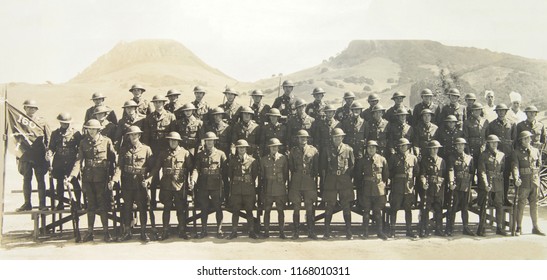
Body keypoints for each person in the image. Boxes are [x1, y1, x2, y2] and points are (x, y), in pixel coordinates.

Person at [67, 119, 116, 242]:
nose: (91, 131)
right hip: (88, 179)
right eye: (89, 129)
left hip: (102, 179)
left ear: (98, 129)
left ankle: (106, 232)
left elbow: (113, 160)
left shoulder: (106, 141)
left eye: (93, 129)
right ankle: (90, 232)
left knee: (103, 205)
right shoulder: (83, 142)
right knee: (90, 206)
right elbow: (79, 161)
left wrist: (113, 177)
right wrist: (72, 176)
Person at [148, 132, 195, 240]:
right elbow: (156, 168)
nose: (172, 142)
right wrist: (150, 178)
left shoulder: (185, 153)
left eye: (175, 140)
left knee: (180, 208)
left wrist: (192, 180)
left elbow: (190, 168)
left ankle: (182, 230)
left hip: (179, 185)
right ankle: (165, 230)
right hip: (166, 185)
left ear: (178, 141)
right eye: (170, 140)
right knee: (167, 208)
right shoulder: (163, 153)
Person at [112, 126, 154, 242]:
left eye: (136, 135)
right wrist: (114, 179)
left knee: (142, 208)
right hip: (127, 183)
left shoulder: (146, 149)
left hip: (140, 184)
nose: (133, 137)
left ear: (139, 136)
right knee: (127, 207)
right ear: (128, 136)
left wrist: (149, 179)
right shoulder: (124, 150)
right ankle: (127, 232)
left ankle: (143, 232)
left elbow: (152, 168)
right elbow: (119, 167)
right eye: (131, 135)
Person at [142, 94, 176, 236]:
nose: (158, 105)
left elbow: (174, 134)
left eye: (160, 102)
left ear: (164, 103)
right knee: (154, 176)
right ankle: (154, 200)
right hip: (154, 151)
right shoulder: (149, 118)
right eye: (155, 103)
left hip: (166, 149)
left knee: (170, 174)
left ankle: (171, 197)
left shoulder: (171, 116)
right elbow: (146, 137)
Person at [16, 100, 51, 211]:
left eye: (33, 108)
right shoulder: (19, 121)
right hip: (25, 155)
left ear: (36, 109)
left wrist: (48, 152)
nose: (31, 110)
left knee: (40, 179)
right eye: (28, 107)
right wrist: (17, 155)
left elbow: (48, 138)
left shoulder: (42, 122)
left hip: (39, 155)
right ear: (24, 108)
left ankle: (42, 204)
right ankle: (27, 203)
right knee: (26, 179)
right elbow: (16, 137)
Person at [322, 128, 355, 239]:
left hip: (344, 180)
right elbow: (323, 167)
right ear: (332, 138)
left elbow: (352, 166)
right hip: (331, 180)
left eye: (339, 137)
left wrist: (345, 175)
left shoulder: (348, 149)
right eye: (335, 137)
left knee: (346, 205)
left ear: (342, 137)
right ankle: (326, 231)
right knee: (329, 206)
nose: (337, 139)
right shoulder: (327, 149)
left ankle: (348, 230)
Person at [47, 113, 83, 210]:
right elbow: (51, 147)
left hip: (71, 161)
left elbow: (81, 147)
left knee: (74, 181)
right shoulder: (55, 133)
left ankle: (79, 202)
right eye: (62, 123)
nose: (64, 125)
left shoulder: (76, 133)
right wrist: (49, 153)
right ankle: (61, 203)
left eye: (66, 123)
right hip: (58, 161)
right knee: (59, 182)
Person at [194, 132, 227, 238]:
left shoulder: (221, 154)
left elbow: (225, 172)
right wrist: (193, 179)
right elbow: (196, 169)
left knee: (218, 207)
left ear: (214, 141)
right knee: (204, 208)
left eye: (211, 140)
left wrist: (226, 187)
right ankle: (204, 230)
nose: (209, 142)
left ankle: (219, 230)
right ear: (205, 142)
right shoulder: (200, 155)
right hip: (203, 185)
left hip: (216, 186)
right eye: (207, 140)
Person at [287, 130, 319, 239]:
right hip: (296, 180)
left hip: (308, 181)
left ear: (308, 139)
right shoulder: (293, 151)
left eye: (305, 137)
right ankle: (296, 231)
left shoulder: (313, 150)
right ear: (297, 139)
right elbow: (291, 166)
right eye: (301, 137)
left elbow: (316, 167)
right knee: (296, 206)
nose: (303, 139)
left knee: (309, 206)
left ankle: (311, 231)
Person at [512, 131, 545, 236]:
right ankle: (519, 227)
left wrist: (536, 177)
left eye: (529, 138)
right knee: (521, 205)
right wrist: (516, 178)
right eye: (525, 138)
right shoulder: (516, 152)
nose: (527, 140)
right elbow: (515, 167)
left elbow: (539, 165)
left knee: (534, 205)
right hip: (524, 182)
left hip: (534, 182)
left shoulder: (535, 151)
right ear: (521, 141)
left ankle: (535, 227)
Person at [355, 140, 389, 240]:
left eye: (373, 147)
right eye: (369, 147)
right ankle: (365, 233)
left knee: (377, 212)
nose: (371, 149)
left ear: (376, 149)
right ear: (366, 149)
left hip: (378, 189)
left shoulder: (382, 159)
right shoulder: (362, 161)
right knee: (366, 211)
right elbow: (358, 176)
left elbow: (385, 175)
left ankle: (380, 232)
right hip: (366, 189)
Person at [226, 139, 259, 239]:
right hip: (236, 189)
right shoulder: (232, 161)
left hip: (248, 189)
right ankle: (234, 231)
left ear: (246, 149)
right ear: (237, 149)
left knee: (249, 211)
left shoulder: (252, 161)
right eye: (240, 147)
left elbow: (254, 175)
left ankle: (251, 231)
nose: (241, 149)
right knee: (235, 211)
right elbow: (230, 175)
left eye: (243, 147)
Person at [485, 104, 516, 206]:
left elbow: (514, 140)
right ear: (496, 112)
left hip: (507, 155)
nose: (501, 112)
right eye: (499, 111)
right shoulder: (492, 125)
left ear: (506, 112)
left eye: (503, 111)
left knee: (506, 176)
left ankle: (505, 198)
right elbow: (488, 140)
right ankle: (493, 198)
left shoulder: (512, 124)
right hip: (495, 155)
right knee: (494, 176)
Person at [387, 138, 419, 238]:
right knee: (394, 209)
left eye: (405, 145)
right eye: (401, 146)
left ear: (408, 146)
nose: (403, 147)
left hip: (408, 188)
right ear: (398, 147)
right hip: (397, 187)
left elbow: (416, 172)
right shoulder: (393, 158)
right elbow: (389, 172)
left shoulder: (413, 158)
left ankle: (409, 230)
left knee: (408, 209)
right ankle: (392, 231)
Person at [477, 135, 507, 236]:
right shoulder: (483, 155)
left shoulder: (502, 155)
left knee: (499, 205)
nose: (494, 144)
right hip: (487, 183)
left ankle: (499, 227)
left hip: (498, 184)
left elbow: (502, 170)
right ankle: (481, 227)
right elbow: (482, 171)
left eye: (496, 142)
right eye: (492, 142)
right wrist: (485, 184)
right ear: (488, 143)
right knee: (484, 206)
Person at [259, 138, 289, 238]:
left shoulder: (283, 158)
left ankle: (282, 231)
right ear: (269, 148)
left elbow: (285, 174)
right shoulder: (263, 160)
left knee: (280, 210)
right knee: (267, 210)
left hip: (279, 188)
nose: (274, 148)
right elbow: (262, 176)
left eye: (276, 146)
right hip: (268, 189)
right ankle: (266, 231)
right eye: (272, 147)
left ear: (278, 147)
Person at [446, 138, 475, 236]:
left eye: (462, 145)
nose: (460, 146)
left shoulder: (469, 158)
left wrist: (469, 185)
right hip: (456, 186)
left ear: (464, 146)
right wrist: (451, 182)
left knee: (465, 208)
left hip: (466, 186)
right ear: (455, 146)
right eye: (458, 145)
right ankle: (449, 228)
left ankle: (465, 227)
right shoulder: (452, 158)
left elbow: (472, 172)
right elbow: (451, 170)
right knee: (453, 207)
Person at [419, 140, 446, 237]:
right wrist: (424, 183)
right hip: (428, 189)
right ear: (429, 150)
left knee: (439, 210)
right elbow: (422, 174)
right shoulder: (425, 160)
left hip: (438, 189)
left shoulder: (442, 161)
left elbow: (444, 175)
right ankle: (424, 230)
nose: (435, 150)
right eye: (433, 149)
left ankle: (439, 229)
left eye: (436, 148)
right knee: (425, 210)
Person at [462, 103, 489, 184]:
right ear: (472, 111)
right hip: (472, 149)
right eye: (475, 110)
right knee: (471, 171)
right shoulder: (467, 122)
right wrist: (468, 151)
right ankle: (469, 194)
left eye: (479, 109)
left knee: (482, 171)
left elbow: (487, 137)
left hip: (482, 149)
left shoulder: (485, 121)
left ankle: (482, 194)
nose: (477, 111)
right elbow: (465, 138)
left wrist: (485, 147)